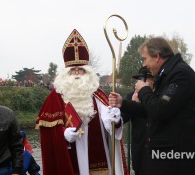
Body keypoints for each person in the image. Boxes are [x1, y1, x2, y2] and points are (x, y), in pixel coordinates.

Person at [35, 29, 129, 175]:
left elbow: (110, 124)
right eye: (73, 70)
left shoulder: (97, 95)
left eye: (81, 69)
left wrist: (115, 120)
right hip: (69, 157)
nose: (77, 73)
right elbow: (47, 133)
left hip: (98, 160)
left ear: (88, 72)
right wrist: (63, 135)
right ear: (66, 73)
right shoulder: (56, 97)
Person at [109, 37, 195, 175]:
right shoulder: (166, 75)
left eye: (145, 59)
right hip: (162, 158)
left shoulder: (180, 74)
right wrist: (123, 103)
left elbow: (160, 110)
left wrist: (143, 90)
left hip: (174, 160)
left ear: (157, 56)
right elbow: (150, 110)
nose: (144, 64)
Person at [121, 66, 154, 174]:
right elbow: (123, 118)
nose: (141, 82)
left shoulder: (158, 96)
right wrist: (132, 104)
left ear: (153, 81)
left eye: (145, 79)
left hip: (155, 146)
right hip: (138, 145)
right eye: (140, 79)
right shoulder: (131, 96)